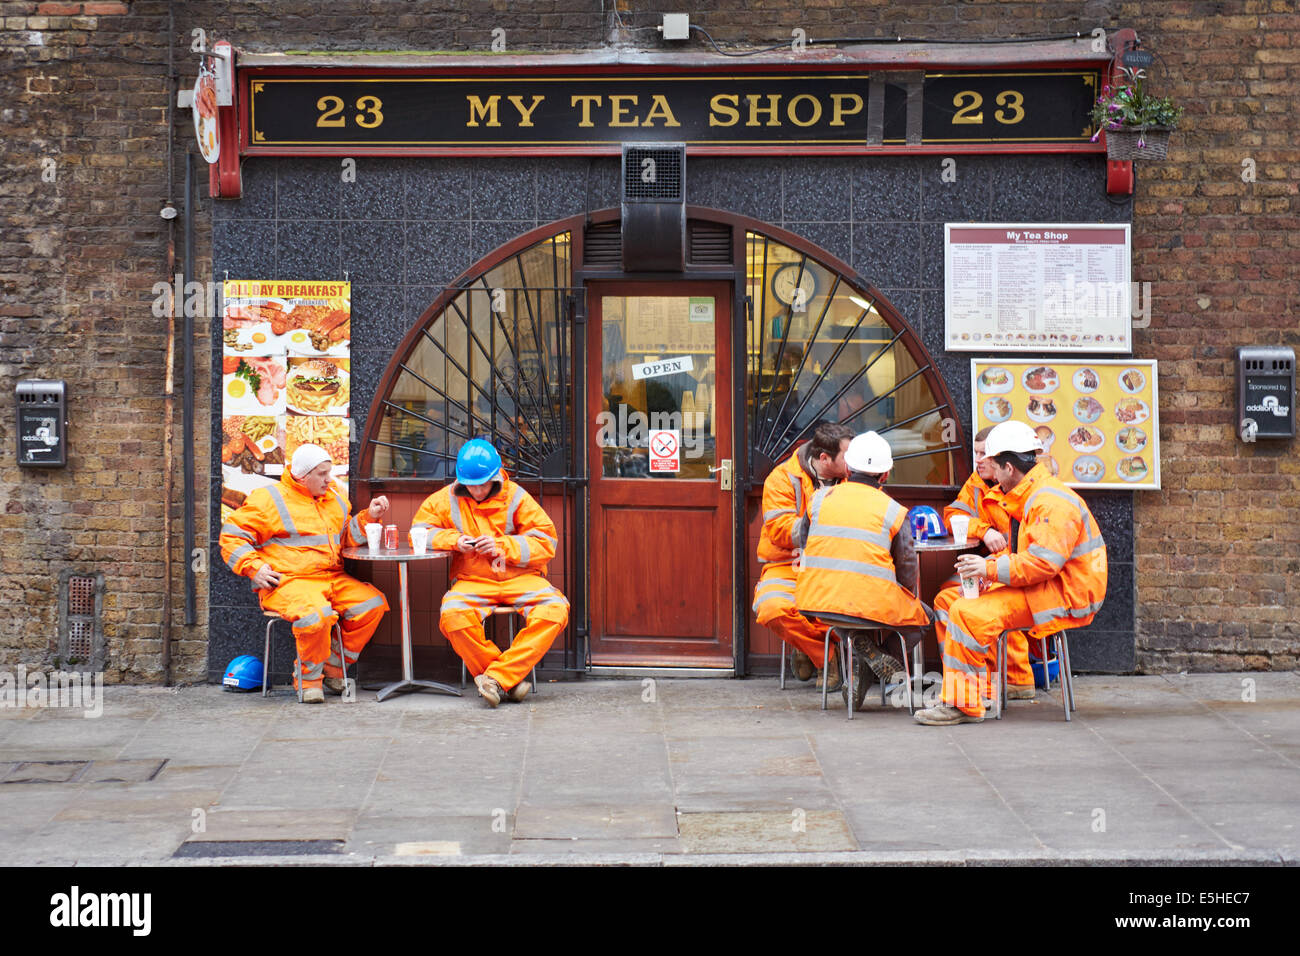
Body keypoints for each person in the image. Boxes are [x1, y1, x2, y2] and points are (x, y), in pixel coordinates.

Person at [914, 421, 1107, 726]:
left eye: (993, 465)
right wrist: (989, 573)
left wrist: (988, 568)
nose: (988, 473)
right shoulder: (1035, 495)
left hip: (1064, 593)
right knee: (960, 604)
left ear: (1007, 468)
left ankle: (966, 703)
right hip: (1049, 587)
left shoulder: (1048, 501)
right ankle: (976, 694)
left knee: (967, 612)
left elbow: (1042, 565)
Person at [219, 444, 390, 704]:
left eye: (329, 472)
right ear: (302, 475)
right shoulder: (269, 499)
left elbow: (344, 538)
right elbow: (231, 536)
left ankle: (333, 671)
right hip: (289, 582)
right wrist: (254, 568)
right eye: (322, 474)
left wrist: (369, 517)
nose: (328, 479)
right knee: (316, 615)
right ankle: (308, 679)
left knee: (372, 605)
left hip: (330, 577)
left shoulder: (335, 499)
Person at [412, 438, 569, 708]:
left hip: (520, 578)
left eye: (483, 484)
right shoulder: (446, 497)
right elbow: (419, 531)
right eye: (470, 485)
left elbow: (546, 542)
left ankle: (496, 677)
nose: (477, 491)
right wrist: (454, 541)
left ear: (497, 477)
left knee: (556, 610)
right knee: (452, 616)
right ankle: (508, 679)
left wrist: (502, 545)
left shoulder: (517, 496)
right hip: (474, 580)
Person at [794, 431, 930, 707]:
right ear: (886, 474)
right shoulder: (893, 510)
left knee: (846, 613)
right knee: (924, 617)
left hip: (815, 600)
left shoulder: (819, 499)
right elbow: (906, 565)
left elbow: (803, 540)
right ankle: (871, 660)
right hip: (866, 603)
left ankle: (862, 655)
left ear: (847, 468)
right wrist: (905, 595)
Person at [936, 426, 1038, 700]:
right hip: (997, 565)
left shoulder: (1026, 488)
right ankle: (963, 678)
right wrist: (984, 530)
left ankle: (1012, 678)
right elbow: (953, 514)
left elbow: (1031, 554)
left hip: (1016, 570)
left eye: (985, 454)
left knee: (977, 599)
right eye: (976, 453)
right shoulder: (977, 483)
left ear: (1004, 462)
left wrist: (992, 568)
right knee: (949, 592)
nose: (979, 460)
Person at [752, 422, 855, 691]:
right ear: (824, 458)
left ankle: (805, 647)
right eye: (847, 455)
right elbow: (778, 530)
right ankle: (825, 656)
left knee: (835, 607)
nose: (853, 461)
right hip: (788, 563)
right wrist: (820, 523)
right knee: (771, 608)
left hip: (834, 566)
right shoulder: (782, 477)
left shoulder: (856, 476)